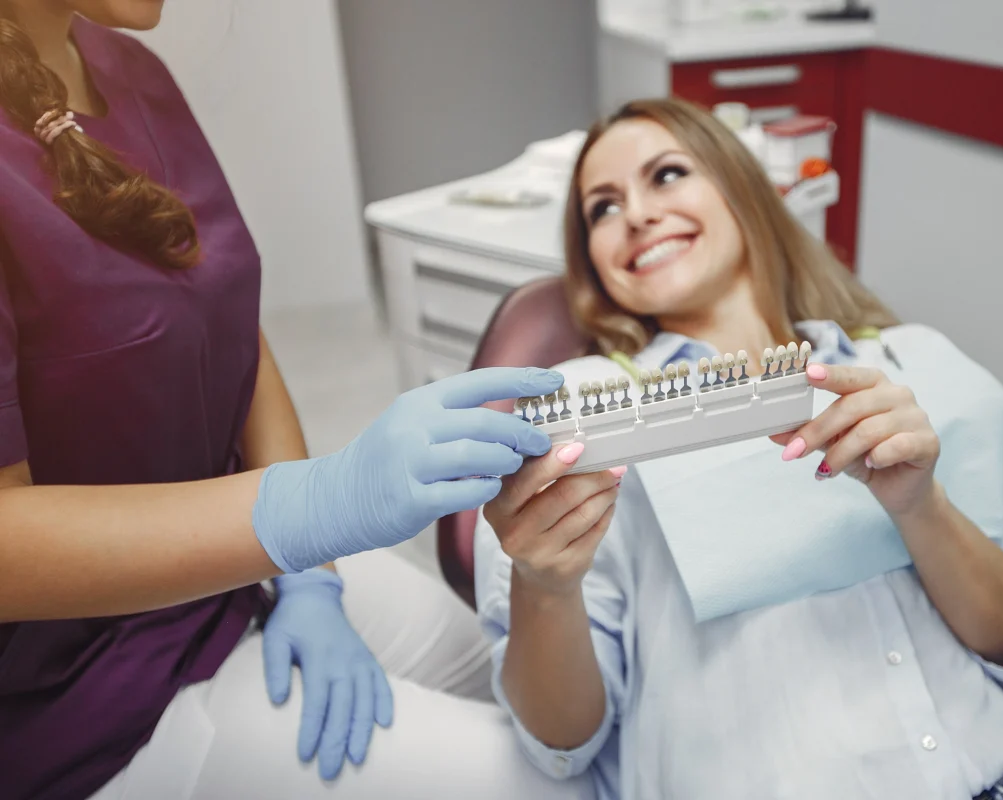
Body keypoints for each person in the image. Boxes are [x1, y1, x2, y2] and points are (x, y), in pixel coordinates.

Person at [0, 2, 596, 798]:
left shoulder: (127, 66)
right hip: (91, 690)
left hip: (238, 577)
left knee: (525, 689)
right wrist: (311, 506)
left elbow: (228, 313)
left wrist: (307, 573)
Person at [474, 97, 1003, 800]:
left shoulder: (909, 364)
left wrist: (922, 508)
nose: (636, 214)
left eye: (667, 175)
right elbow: (561, 744)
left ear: (743, 187)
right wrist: (545, 587)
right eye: (602, 209)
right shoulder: (583, 409)